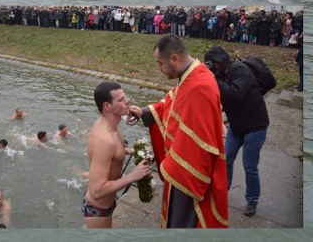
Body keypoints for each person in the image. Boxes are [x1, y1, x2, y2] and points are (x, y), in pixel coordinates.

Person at [127, 35, 228, 228]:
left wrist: (171, 166)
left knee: (181, 219)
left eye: (160, 63)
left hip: (188, 172)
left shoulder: (199, 85)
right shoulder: (192, 74)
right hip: (179, 164)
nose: (159, 69)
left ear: (174, 58)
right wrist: (144, 112)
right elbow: (170, 103)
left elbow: (200, 141)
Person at [204, 46, 269, 217]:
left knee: (250, 165)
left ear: (220, 61)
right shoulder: (221, 75)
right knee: (226, 159)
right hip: (237, 126)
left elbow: (235, 94)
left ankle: (252, 199)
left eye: (213, 64)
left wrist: (213, 79)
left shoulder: (241, 70)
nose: (212, 68)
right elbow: (221, 98)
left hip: (255, 126)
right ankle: (222, 191)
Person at [83, 81, 150, 228]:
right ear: (107, 106)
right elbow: (96, 191)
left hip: (107, 203)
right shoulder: (104, 140)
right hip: (98, 210)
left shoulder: (110, 124)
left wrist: (129, 150)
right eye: (121, 100)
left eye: (125, 97)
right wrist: (133, 176)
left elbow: (113, 152)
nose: (128, 102)